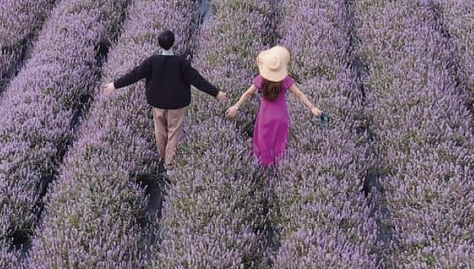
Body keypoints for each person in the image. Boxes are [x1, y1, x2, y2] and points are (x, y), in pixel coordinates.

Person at [104, 30, 227, 168]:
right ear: (173, 43)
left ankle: (163, 157)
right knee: (174, 132)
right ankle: (169, 163)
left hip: (158, 103)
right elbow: (198, 80)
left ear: (159, 43)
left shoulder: (152, 61)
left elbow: (134, 74)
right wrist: (216, 93)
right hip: (176, 104)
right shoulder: (181, 63)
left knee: (160, 131)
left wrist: (115, 85)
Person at [226, 45, 322, 167]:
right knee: (279, 140)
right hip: (280, 114)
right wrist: (312, 107)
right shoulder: (285, 80)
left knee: (263, 139)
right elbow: (299, 94)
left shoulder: (261, 79)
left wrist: (236, 106)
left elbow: (248, 93)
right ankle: (278, 166)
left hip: (265, 113)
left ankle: (264, 165)